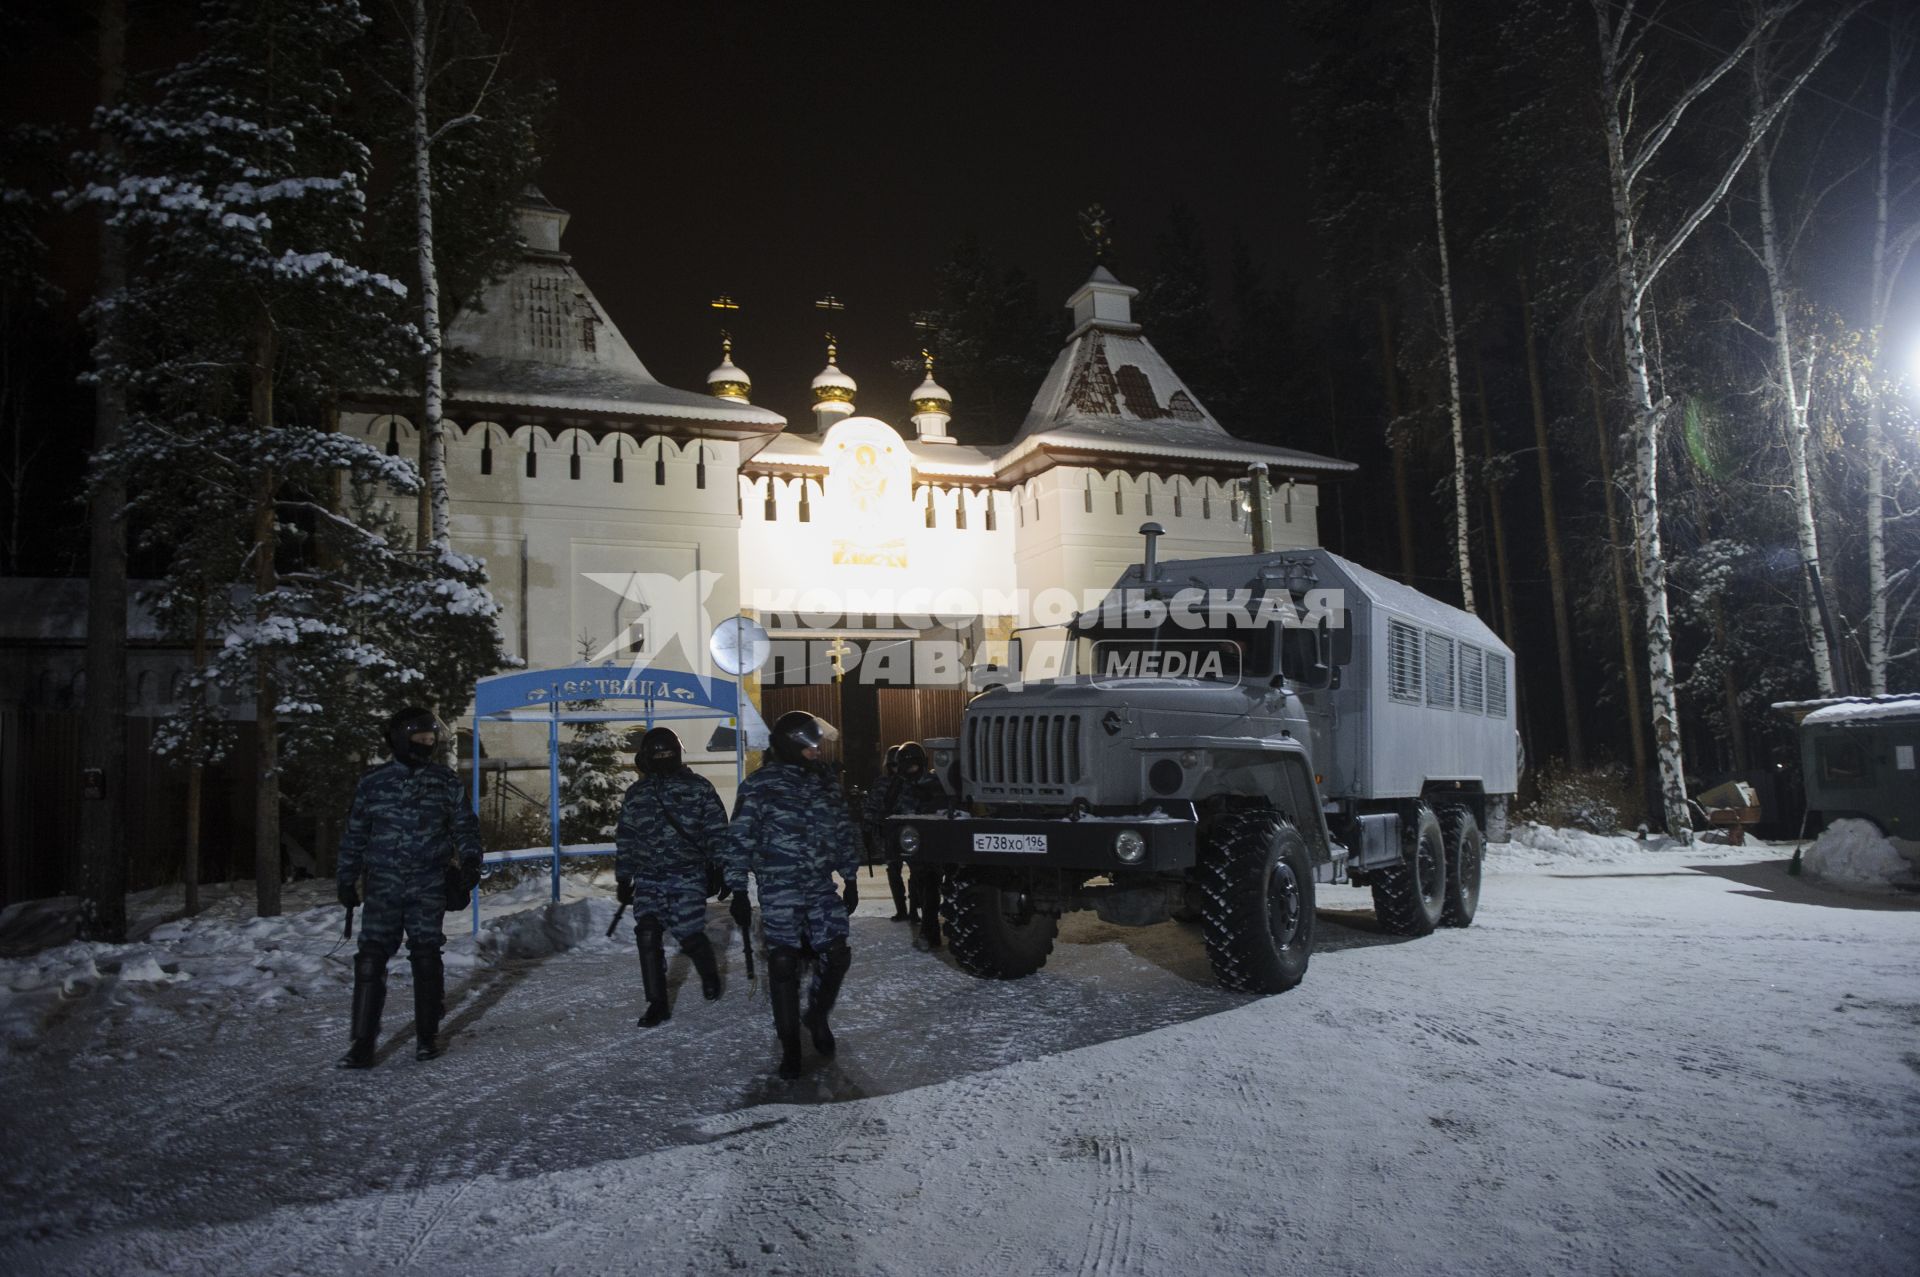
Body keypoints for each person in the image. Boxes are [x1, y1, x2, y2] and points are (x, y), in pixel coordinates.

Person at [336, 707, 480, 1068]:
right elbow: (355, 834)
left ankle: (427, 1037)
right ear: (399, 739)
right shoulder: (374, 782)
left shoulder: (445, 782)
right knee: (370, 961)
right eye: (419, 739)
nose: (425, 745)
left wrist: (471, 864)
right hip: (383, 886)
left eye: (430, 739)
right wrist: (345, 878)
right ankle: (362, 1043)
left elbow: (465, 827)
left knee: (426, 957)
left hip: (427, 884)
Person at [723, 710, 860, 1080]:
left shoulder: (824, 784)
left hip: (819, 885)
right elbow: (740, 837)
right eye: (811, 744)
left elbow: (841, 829)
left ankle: (816, 1015)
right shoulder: (759, 785)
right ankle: (790, 1048)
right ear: (793, 743)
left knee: (837, 953)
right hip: (778, 886)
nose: (818, 750)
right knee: (783, 962)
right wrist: (736, 887)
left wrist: (850, 875)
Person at [615, 726, 729, 1027]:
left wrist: (722, 868)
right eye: (657, 753)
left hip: (687, 874)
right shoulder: (637, 793)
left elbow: (717, 831)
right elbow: (627, 836)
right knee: (647, 933)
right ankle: (657, 1003)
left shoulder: (698, 788)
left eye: (668, 752)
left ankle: (708, 972)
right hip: (648, 877)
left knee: (689, 933)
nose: (663, 757)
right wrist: (623, 877)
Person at [893, 742, 947, 952]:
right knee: (922, 887)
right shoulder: (902, 784)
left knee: (930, 887)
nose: (908, 770)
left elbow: (942, 810)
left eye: (911, 765)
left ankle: (930, 932)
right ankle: (928, 930)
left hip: (932, 845)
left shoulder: (933, 782)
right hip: (914, 845)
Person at [860, 745, 913, 923]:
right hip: (905, 831)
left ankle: (904, 910)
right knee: (911, 871)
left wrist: (868, 827)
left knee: (897, 870)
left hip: (892, 831)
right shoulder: (910, 781)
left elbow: (871, 806)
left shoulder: (884, 783)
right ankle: (910, 910)